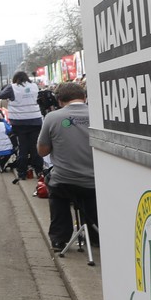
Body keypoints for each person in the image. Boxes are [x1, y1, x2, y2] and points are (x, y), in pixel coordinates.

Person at [36, 82, 99, 250]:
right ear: (84, 97)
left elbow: (42, 151)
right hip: (95, 180)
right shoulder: (98, 114)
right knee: (91, 196)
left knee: (54, 186)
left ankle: (59, 238)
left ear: (59, 100)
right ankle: (96, 234)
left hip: (65, 181)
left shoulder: (52, 118)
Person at [0, 71, 44, 184]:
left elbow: (0, 95)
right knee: (35, 147)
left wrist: (8, 86)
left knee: (23, 148)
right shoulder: (34, 86)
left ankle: (22, 173)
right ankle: (39, 171)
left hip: (19, 122)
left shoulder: (12, 87)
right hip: (35, 120)